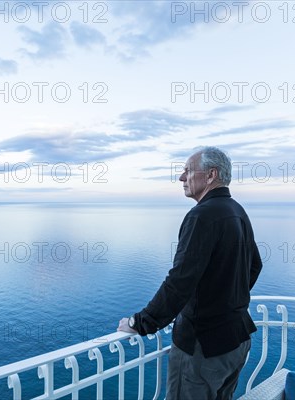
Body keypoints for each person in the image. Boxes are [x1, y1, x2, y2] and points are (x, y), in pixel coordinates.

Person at [117, 146, 263, 400]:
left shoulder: (202, 215)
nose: (181, 178)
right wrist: (225, 301)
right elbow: (254, 266)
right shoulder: (236, 210)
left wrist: (140, 322)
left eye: (187, 171)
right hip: (235, 339)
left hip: (203, 348)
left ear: (210, 175)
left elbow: (180, 281)